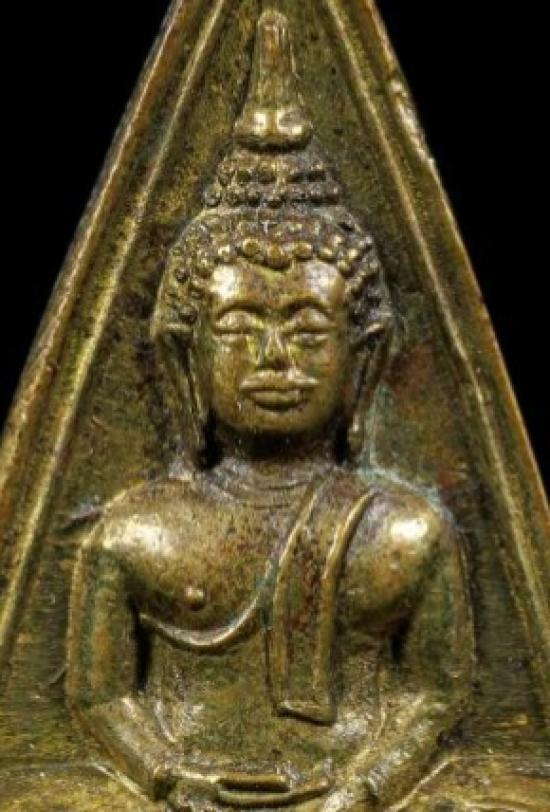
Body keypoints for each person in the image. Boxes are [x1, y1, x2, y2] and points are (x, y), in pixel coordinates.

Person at [67, 12, 473, 811]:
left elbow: (440, 693)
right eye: (240, 329)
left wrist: (368, 788)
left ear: (363, 359)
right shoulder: (137, 530)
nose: (275, 360)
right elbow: (97, 696)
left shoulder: (404, 533)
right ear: (188, 357)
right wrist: (168, 778)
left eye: (309, 331)